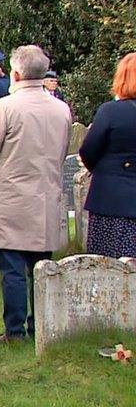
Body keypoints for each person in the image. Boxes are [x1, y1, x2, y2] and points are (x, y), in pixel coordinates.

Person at [0, 45, 71, 344]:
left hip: (11, 197)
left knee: (12, 270)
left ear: (15, 74)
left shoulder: (5, 107)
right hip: (45, 196)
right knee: (40, 268)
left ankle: (15, 332)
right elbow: (63, 151)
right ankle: (40, 327)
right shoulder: (61, 109)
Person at [78, 53, 136, 258]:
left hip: (112, 200)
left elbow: (89, 150)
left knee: (107, 264)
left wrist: (103, 170)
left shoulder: (111, 111)